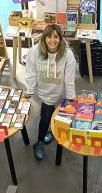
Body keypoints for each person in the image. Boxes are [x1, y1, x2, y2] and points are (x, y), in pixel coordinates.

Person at [25, 24, 76, 160]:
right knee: (46, 115)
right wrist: (30, 91)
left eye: (55, 37)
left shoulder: (67, 54)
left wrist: (71, 97)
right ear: (44, 38)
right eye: (49, 36)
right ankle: (40, 142)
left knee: (57, 115)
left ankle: (49, 134)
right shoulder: (34, 52)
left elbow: (69, 79)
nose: (52, 40)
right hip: (43, 91)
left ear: (60, 38)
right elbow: (30, 72)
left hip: (59, 92)